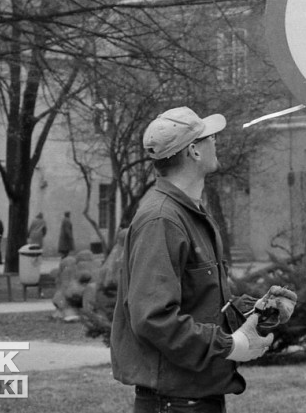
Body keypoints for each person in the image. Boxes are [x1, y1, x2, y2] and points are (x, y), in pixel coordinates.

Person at [111, 106, 294, 413]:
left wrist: (254, 312)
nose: (216, 141)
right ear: (194, 151)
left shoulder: (188, 213)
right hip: (175, 404)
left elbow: (199, 303)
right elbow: (153, 318)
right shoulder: (162, 219)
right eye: (209, 137)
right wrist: (230, 345)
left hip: (194, 399)